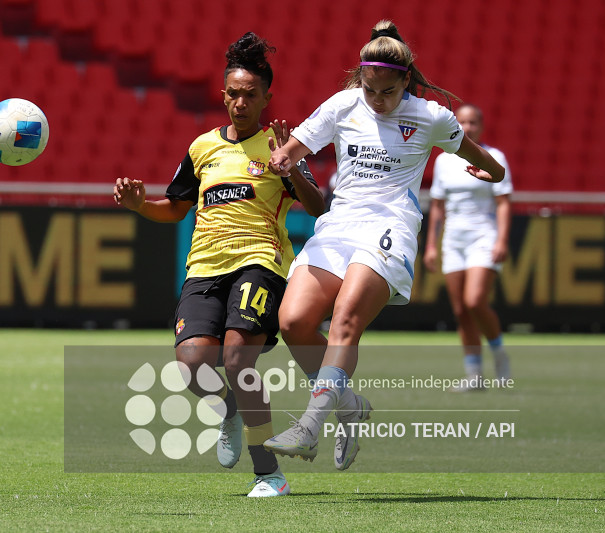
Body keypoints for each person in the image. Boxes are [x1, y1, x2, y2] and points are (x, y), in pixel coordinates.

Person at [261, 20, 505, 469]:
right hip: (339, 224)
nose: (377, 100)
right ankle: (350, 406)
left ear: (405, 80)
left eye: (387, 93)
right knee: (294, 322)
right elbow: (294, 150)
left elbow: (484, 160)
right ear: (361, 78)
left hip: (390, 225)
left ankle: (309, 426)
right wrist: (280, 160)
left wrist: (492, 172)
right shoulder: (343, 105)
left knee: (345, 321)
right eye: (370, 90)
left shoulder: (432, 117)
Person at [113, 32, 325, 497]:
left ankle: (268, 473)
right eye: (234, 93)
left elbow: (318, 204)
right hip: (204, 269)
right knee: (191, 364)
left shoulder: (280, 146)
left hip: (259, 263)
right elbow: (175, 207)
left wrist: (289, 167)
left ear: (268, 97)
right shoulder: (202, 148)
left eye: (251, 94)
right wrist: (139, 206)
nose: (241, 102)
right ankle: (229, 408)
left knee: (237, 358)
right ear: (222, 94)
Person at [423, 104, 513, 391]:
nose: (467, 127)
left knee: (475, 301)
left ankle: (499, 353)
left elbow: (503, 203)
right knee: (461, 309)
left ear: (481, 126)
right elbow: (437, 206)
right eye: (462, 122)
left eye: (473, 122)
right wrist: (431, 246)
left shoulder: (494, 157)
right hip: (453, 240)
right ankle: (474, 375)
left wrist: (501, 239)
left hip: (483, 236)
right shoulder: (443, 161)